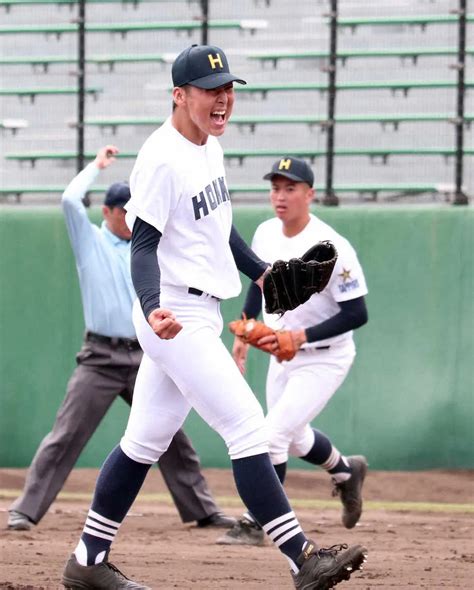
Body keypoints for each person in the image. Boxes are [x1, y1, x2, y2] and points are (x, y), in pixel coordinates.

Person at [61, 45, 367, 590]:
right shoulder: (161, 156)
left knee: (143, 442)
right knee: (249, 428)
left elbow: (220, 229)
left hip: (201, 305)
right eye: (209, 89)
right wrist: (153, 306)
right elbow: (143, 244)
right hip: (175, 313)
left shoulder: (209, 147)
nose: (222, 98)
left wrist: (263, 274)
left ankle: (86, 561)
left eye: (227, 88)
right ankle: (303, 559)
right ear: (180, 95)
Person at [7, 145, 235, 534]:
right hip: (100, 356)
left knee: (172, 437)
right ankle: (25, 510)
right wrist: (97, 166)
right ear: (107, 212)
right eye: (122, 208)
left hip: (146, 352)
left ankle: (203, 509)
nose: (130, 215)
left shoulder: (149, 247)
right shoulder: (90, 242)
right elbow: (68, 199)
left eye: (134, 208)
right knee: (66, 433)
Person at [217, 156, 369, 547]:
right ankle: (346, 472)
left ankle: (257, 523)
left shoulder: (333, 246)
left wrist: (301, 337)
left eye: (290, 188)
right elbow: (259, 283)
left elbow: (357, 312)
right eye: (275, 188)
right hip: (282, 354)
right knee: (295, 437)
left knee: (271, 437)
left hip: (325, 355)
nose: (280, 197)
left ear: (310, 194)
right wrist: (245, 327)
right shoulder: (267, 232)